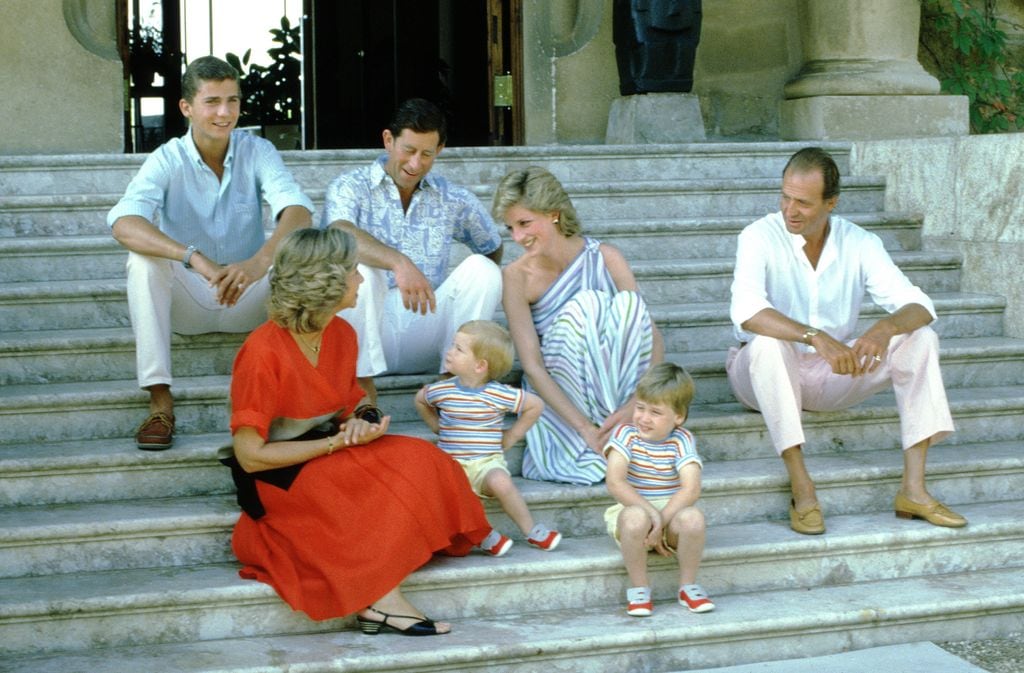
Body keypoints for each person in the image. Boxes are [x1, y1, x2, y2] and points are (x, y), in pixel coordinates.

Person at [222, 227, 491, 637]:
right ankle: (383, 600)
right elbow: (250, 456)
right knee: (354, 493)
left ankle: (382, 590)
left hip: (329, 448)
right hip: (276, 473)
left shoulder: (341, 332)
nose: (362, 279)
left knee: (422, 458)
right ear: (327, 282)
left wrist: (364, 417)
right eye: (353, 271)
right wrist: (333, 443)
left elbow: (352, 400)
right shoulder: (262, 351)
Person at [726, 146, 965, 535]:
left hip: (831, 373)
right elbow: (748, 312)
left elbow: (919, 305)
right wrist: (814, 336)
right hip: (758, 374)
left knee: (920, 338)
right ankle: (802, 489)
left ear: (831, 203)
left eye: (803, 203)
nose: (790, 210)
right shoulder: (758, 236)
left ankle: (914, 490)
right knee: (769, 343)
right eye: (785, 198)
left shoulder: (860, 242)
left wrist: (883, 329)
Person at [108, 55, 314, 451]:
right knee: (143, 261)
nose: (225, 112)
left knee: (301, 252)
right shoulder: (167, 158)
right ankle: (160, 401)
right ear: (186, 107)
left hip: (249, 295)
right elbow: (123, 223)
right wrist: (194, 258)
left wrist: (259, 262)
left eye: (232, 100)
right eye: (212, 101)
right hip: (190, 302)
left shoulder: (258, 151)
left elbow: (298, 211)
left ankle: (301, 398)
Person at [322, 98, 504, 403]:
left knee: (484, 270)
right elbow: (339, 232)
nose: (416, 164)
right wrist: (399, 263)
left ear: (440, 150)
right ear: (388, 140)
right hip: (366, 330)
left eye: (427, 154)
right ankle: (359, 391)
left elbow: (492, 247)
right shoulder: (349, 186)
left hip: (426, 328)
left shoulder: (453, 197)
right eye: (408, 150)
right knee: (360, 269)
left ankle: (452, 385)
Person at [494, 166, 664, 485]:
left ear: (554, 214)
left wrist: (635, 405)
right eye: (510, 227)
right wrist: (585, 428)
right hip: (563, 393)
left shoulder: (606, 257)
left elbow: (651, 338)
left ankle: (620, 425)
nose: (517, 237)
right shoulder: (515, 277)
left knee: (628, 306)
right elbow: (532, 367)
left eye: (524, 223)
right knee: (587, 307)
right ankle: (606, 435)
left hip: (620, 388)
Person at [415, 320, 562, 554]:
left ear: (480, 366)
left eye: (458, 349)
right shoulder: (442, 390)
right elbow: (420, 400)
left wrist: (512, 436)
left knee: (502, 482)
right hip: (452, 466)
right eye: (452, 345)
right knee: (447, 495)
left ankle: (531, 530)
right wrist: (435, 426)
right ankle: (484, 536)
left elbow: (535, 405)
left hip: (486, 464)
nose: (450, 352)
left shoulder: (498, 394)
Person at [604, 362, 713, 616]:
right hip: (635, 513)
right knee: (635, 517)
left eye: (655, 412)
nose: (643, 418)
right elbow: (615, 481)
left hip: (670, 517)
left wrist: (661, 522)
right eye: (640, 407)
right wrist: (652, 516)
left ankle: (687, 586)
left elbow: (691, 489)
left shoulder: (682, 439)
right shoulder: (625, 434)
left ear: (678, 417)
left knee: (693, 518)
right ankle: (639, 588)